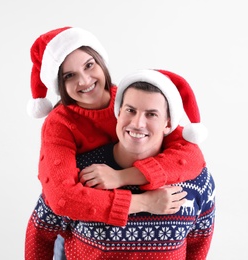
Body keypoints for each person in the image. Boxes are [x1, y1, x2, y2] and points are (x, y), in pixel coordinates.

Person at [25, 27, 208, 260]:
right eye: (69, 76)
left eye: (89, 65)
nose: (84, 80)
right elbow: (62, 198)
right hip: (81, 224)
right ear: (59, 83)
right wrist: (143, 202)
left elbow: (190, 156)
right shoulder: (59, 124)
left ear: (101, 62)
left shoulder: (132, 99)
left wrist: (123, 177)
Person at [50, 69, 215, 259]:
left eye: (151, 114)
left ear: (168, 124)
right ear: (118, 113)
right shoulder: (80, 171)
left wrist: (122, 178)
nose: (138, 123)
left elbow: (198, 245)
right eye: (130, 110)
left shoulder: (197, 180)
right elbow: (42, 230)